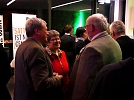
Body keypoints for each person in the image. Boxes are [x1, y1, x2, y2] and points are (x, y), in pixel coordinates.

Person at [65, 13, 122, 100]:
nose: (85, 29)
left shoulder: (92, 49)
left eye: (86, 26)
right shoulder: (113, 42)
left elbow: (83, 85)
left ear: (91, 27)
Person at [14, 17, 63, 100]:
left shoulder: (23, 46)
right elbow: (41, 84)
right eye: (46, 30)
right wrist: (57, 79)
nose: (47, 33)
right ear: (37, 31)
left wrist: (49, 75)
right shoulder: (35, 49)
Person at [44, 30, 69, 100]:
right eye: (54, 39)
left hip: (65, 90)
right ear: (47, 42)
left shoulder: (63, 53)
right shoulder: (44, 55)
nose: (57, 41)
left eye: (58, 39)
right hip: (52, 92)